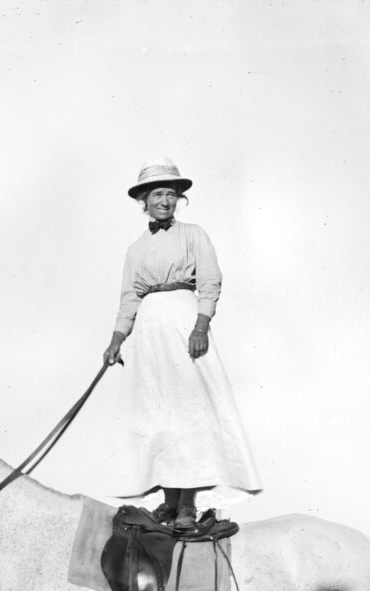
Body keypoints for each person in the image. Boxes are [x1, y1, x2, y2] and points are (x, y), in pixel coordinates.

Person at [104, 157, 261, 530]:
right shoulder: (136, 249)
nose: (164, 201)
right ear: (143, 200)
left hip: (183, 323)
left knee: (190, 415)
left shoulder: (194, 235)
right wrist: (116, 340)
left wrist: (200, 325)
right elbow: (130, 297)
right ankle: (169, 502)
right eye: (157, 194)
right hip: (150, 332)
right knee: (158, 417)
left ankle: (188, 503)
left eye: (171, 194)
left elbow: (210, 282)